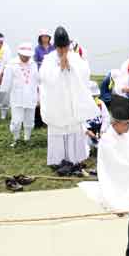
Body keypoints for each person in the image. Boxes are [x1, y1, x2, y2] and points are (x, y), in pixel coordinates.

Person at [40, 26, 99, 175]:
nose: (62, 51)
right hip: (57, 102)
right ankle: (58, 160)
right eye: (59, 48)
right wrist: (60, 67)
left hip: (72, 101)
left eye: (64, 47)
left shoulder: (75, 57)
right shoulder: (48, 59)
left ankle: (75, 159)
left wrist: (70, 66)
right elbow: (45, 78)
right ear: (55, 47)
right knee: (58, 130)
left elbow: (85, 74)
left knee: (73, 129)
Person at [1, 42, 39, 146]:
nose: (26, 57)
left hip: (31, 96)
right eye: (24, 55)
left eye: (28, 55)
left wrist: (39, 95)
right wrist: (3, 95)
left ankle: (27, 139)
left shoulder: (33, 64)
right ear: (19, 53)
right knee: (16, 121)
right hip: (17, 97)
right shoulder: (11, 64)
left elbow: (37, 80)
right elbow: (6, 82)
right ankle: (16, 139)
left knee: (30, 121)